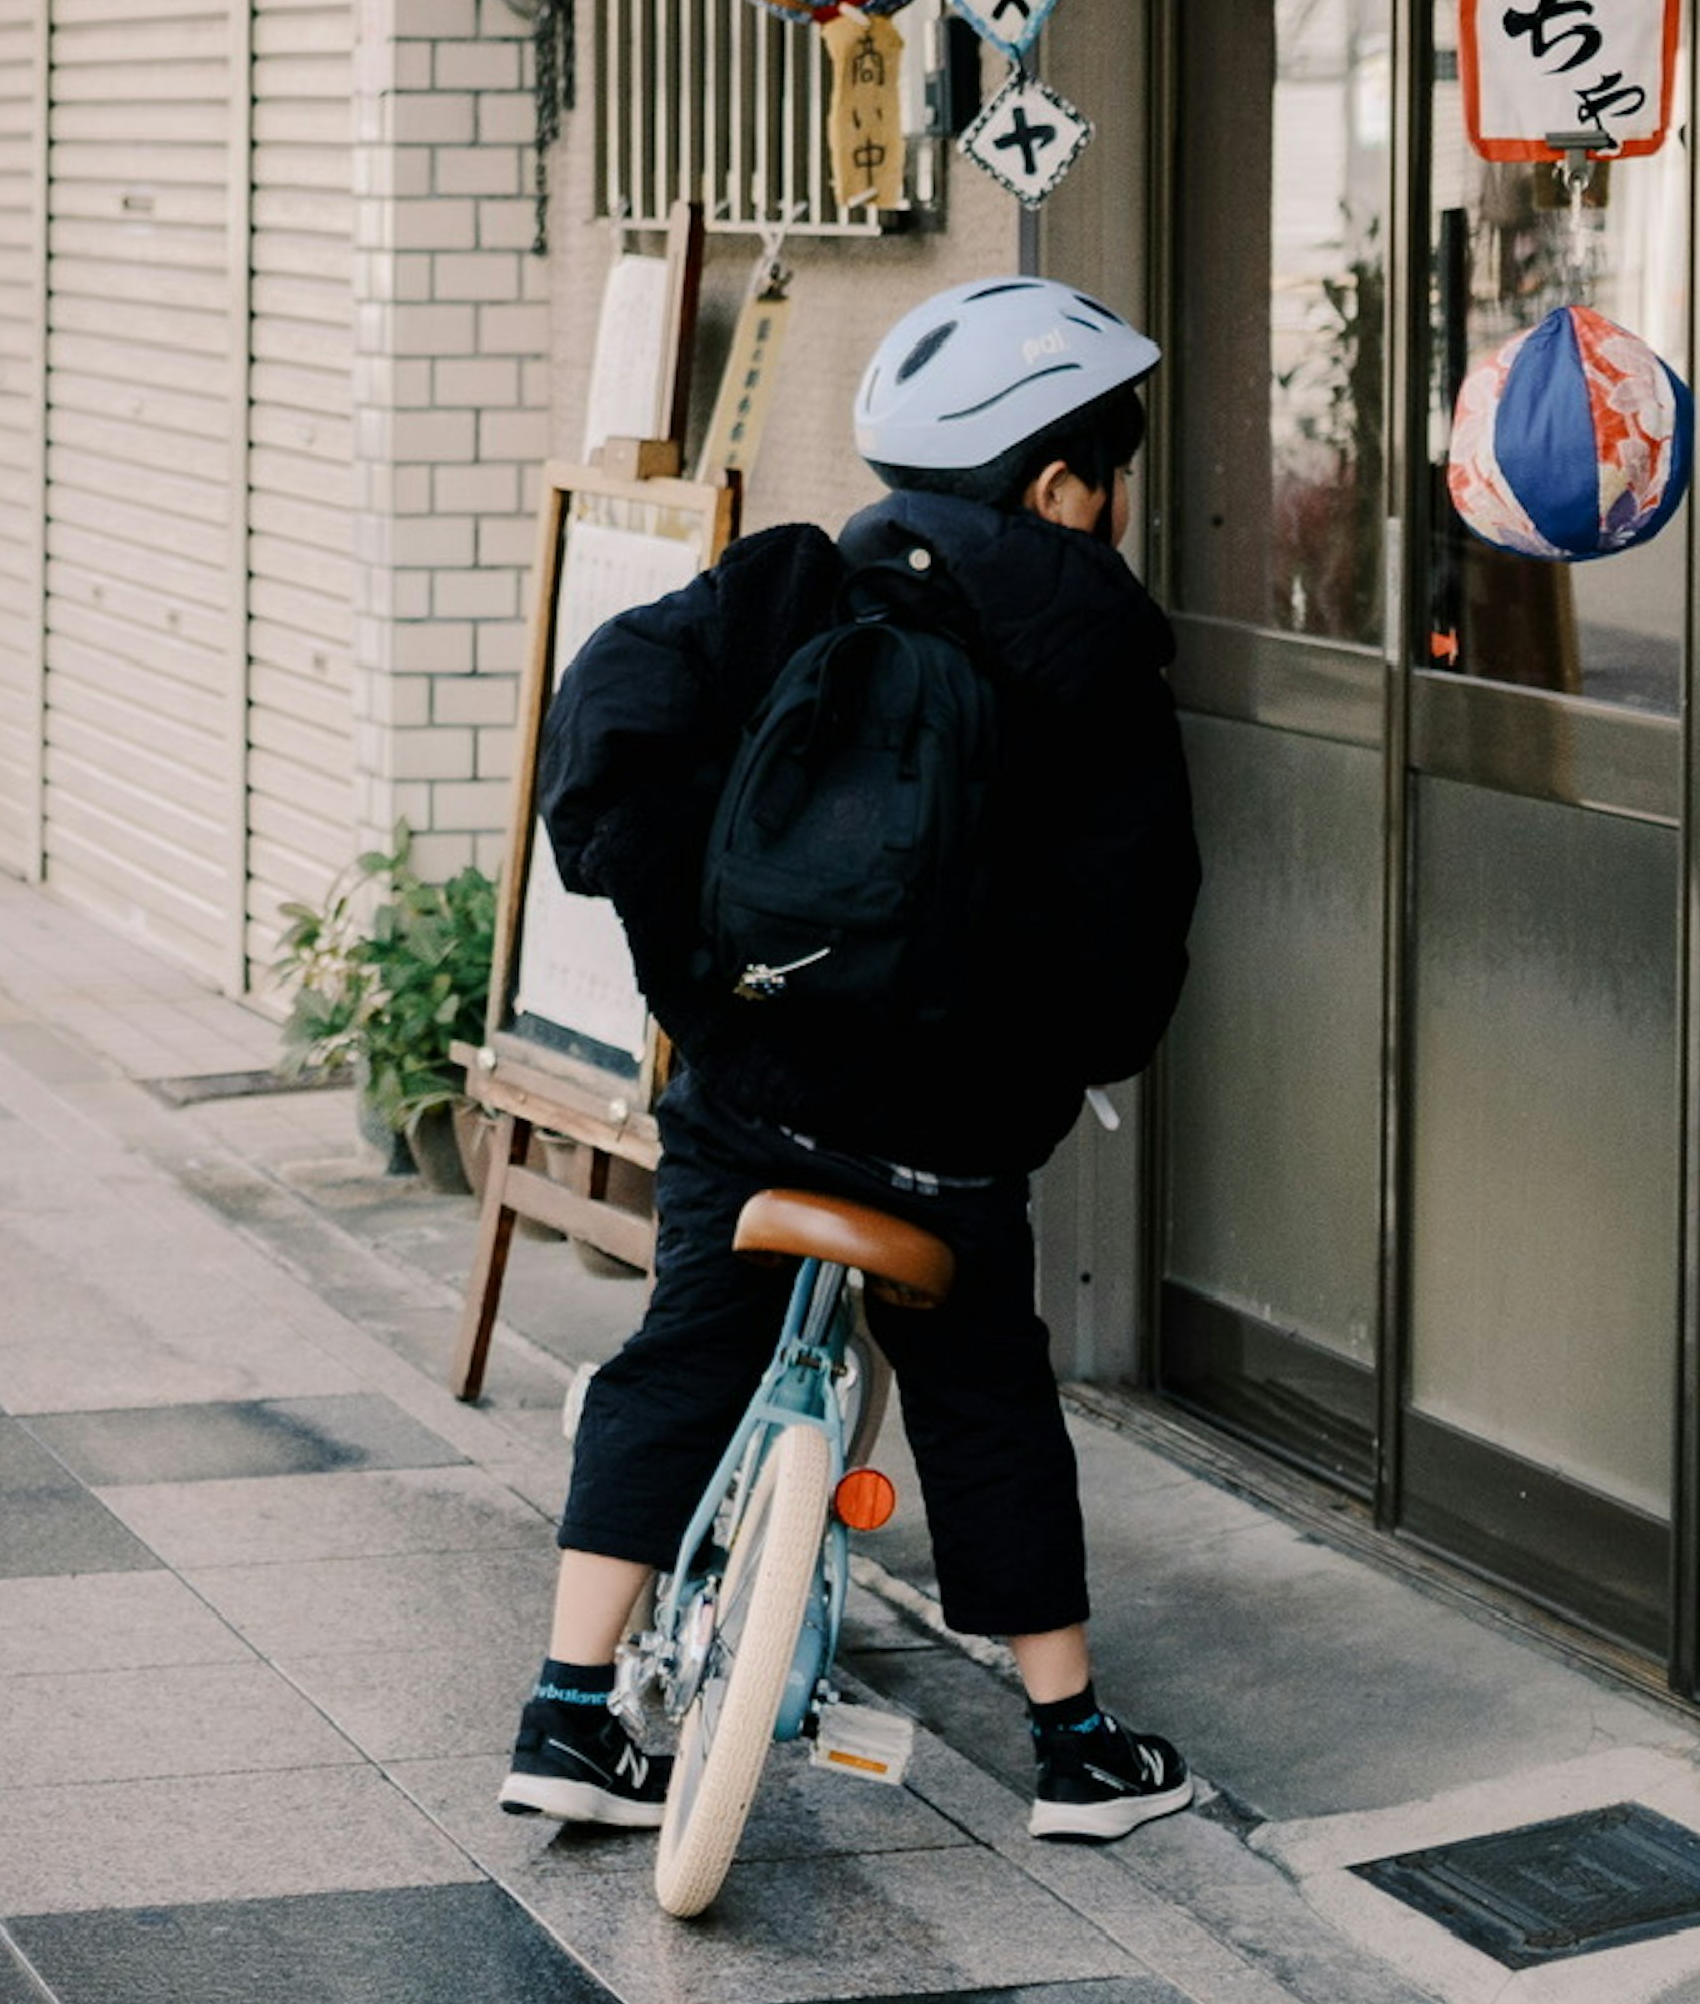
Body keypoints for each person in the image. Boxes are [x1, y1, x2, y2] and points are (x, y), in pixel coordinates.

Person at [503, 274, 1205, 1844]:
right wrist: (1057, 1057)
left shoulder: (797, 583)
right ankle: (1076, 1744)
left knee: (684, 1358)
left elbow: (609, 733)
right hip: (943, 1143)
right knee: (987, 1396)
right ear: (1052, 482)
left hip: (751, 1093)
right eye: (1111, 472)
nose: (1116, 506)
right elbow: (1130, 938)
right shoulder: (1104, 667)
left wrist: (692, 958)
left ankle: (565, 1712)